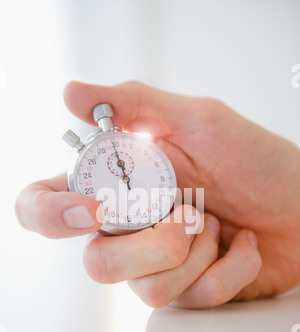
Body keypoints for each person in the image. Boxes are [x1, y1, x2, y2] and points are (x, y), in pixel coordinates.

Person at [15, 81, 300, 309]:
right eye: (119, 172)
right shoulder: (87, 170)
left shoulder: (144, 157)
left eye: (124, 170)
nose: (125, 175)